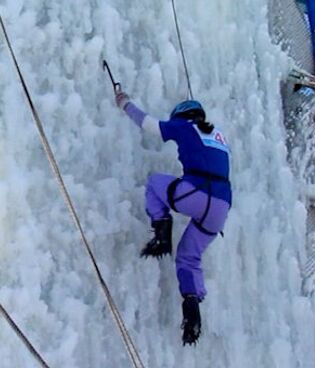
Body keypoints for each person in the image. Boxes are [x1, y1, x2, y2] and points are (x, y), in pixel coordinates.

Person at [115, 90, 232, 345]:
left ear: (182, 115)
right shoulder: (218, 136)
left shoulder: (183, 125)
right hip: (221, 206)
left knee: (154, 184)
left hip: (197, 192)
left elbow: (148, 124)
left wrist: (124, 103)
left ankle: (161, 233)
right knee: (189, 258)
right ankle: (192, 308)